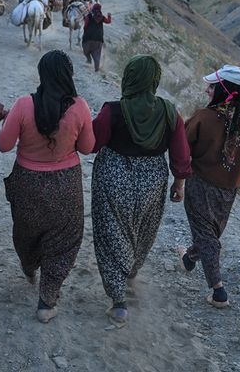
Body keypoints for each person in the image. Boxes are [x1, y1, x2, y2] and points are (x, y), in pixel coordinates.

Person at [90, 55, 191, 325]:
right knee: (143, 229)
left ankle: (118, 301)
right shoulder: (171, 112)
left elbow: (92, 143)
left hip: (112, 177)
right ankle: (132, 269)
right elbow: (181, 154)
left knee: (111, 231)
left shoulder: (111, 110)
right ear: (154, 81)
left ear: (130, 78)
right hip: (152, 181)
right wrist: (179, 183)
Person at [0, 50, 95, 323]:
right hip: (66, 185)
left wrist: (6, 119)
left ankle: (29, 266)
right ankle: (47, 300)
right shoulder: (80, 107)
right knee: (64, 241)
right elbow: (87, 148)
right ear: (69, 75)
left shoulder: (23, 104)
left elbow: (4, 145)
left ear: (41, 74)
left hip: (27, 182)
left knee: (26, 232)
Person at [178, 65, 240, 308]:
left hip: (200, 184)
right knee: (211, 231)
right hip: (229, 189)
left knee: (207, 235)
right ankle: (189, 258)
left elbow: (183, 146)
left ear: (224, 90)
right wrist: (236, 158)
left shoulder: (205, 117)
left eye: (212, 86)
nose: (207, 90)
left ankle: (218, 291)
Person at [81, 3, 112, 72]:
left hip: (88, 38)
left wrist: (85, 28)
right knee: (97, 55)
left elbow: (85, 25)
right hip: (99, 39)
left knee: (86, 50)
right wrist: (109, 16)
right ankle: (96, 70)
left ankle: (89, 59)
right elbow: (108, 21)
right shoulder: (102, 17)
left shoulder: (89, 16)